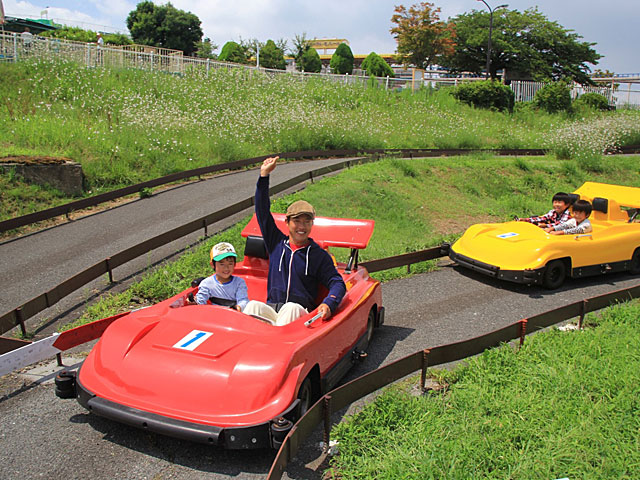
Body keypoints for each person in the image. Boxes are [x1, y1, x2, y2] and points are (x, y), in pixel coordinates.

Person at [243, 156, 346, 326]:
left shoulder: (318, 255)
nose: (302, 226)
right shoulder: (276, 243)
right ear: (287, 222)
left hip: (300, 316)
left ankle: (275, 349)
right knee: (252, 306)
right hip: (273, 309)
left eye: (307, 221)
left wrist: (329, 303)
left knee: (290, 308)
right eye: (297, 221)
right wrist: (263, 176)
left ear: (312, 224)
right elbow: (262, 212)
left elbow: (337, 283)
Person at [194, 242, 249, 311]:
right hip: (216, 316)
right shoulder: (207, 283)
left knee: (253, 305)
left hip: (235, 316)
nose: (226, 268)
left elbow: (243, 300)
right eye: (222, 264)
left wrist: (238, 308)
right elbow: (200, 300)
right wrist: (195, 302)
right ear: (213, 265)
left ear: (235, 264)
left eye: (230, 264)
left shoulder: (239, 282)